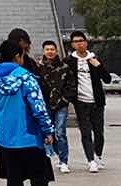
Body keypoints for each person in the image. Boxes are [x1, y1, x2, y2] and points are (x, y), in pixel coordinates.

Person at [0, 39, 55, 186]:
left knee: (14, 178)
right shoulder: (27, 79)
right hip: (30, 136)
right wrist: (47, 131)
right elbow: (38, 107)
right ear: (17, 56)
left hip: (6, 138)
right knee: (39, 178)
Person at [67, 30, 110, 173]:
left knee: (99, 132)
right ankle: (90, 160)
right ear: (72, 44)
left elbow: (107, 79)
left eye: (81, 40)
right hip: (80, 102)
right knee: (85, 132)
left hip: (97, 102)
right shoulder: (69, 61)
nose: (79, 43)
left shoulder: (94, 59)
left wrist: (98, 65)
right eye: (76, 41)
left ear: (86, 42)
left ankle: (98, 155)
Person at [37, 40, 76, 174]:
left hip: (61, 105)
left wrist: (65, 100)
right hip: (45, 105)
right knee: (49, 133)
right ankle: (55, 156)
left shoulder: (65, 67)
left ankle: (64, 161)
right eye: (47, 49)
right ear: (43, 51)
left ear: (56, 51)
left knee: (60, 132)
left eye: (52, 49)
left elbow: (71, 86)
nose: (50, 52)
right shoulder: (39, 68)